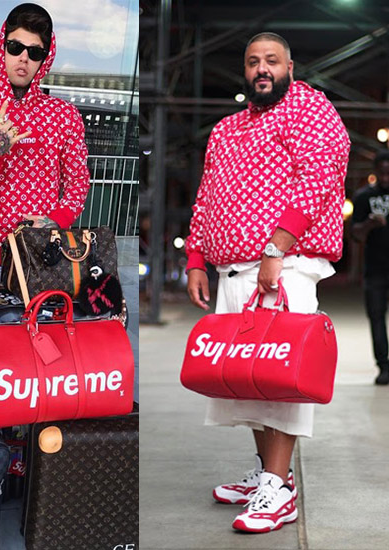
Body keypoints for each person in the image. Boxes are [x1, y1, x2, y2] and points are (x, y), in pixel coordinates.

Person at [185, 32, 349, 533]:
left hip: (284, 266)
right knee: (248, 379)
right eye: (253, 61)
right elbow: (207, 194)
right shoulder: (228, 129)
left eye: (271, 61)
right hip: (233, 270)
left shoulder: (308, 108)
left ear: (290, 66)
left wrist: (277, 247)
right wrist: (195, 257)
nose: (262, 69)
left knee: (279, 381)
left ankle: (279, 489)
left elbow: (319, 177)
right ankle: (269, 476)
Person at [0, 3, 90, 285]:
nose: (23, 58)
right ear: (1, 49)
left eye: (35, 52)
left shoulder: (64, 115)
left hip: (44, 256)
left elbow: (78, 182)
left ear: (45, 58)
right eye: (15, 47)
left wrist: (55, 221)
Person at [352, 151, 389, 385]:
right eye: (382, 173)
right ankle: (384, 366)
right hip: (375, 269)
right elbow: (354, 234)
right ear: (375, 172)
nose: (386, 178)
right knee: (376, 317)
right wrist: (369, 224)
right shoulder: (363, 196)